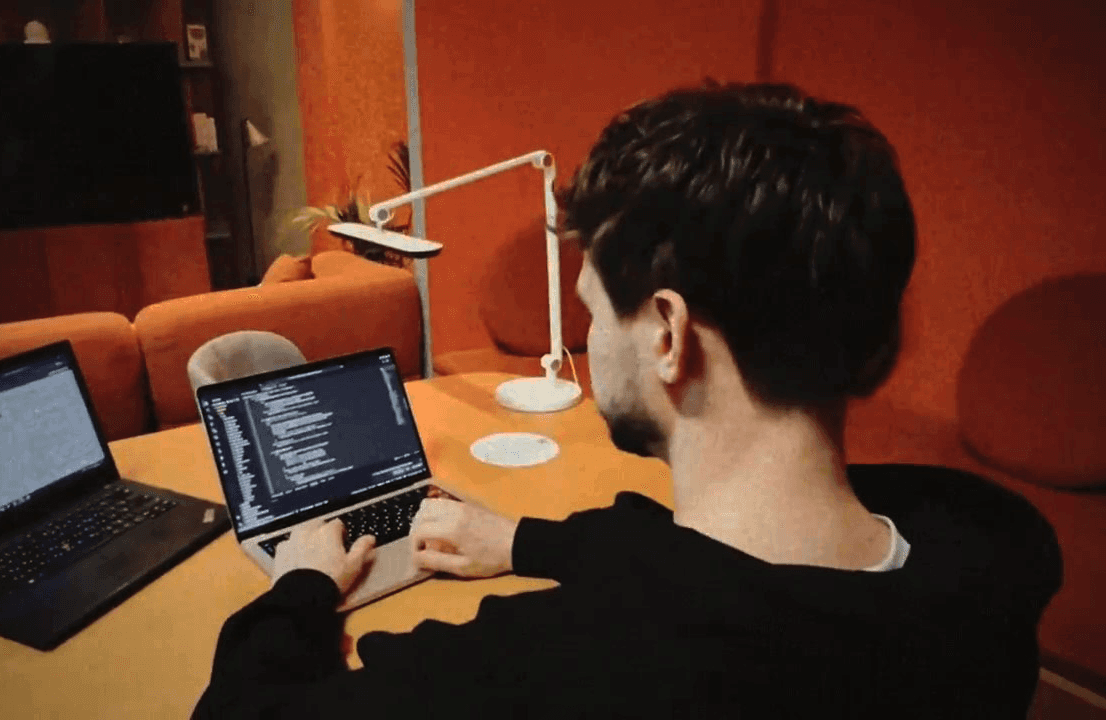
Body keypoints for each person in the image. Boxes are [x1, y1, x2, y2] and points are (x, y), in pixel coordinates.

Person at [192, 81, 1061, 718]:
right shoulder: (984, 551)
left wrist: (300, 590)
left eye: (591, 310)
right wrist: (523, 540)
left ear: (667, 334)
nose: (587, 338)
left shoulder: (560, 673)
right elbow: (720, 574)